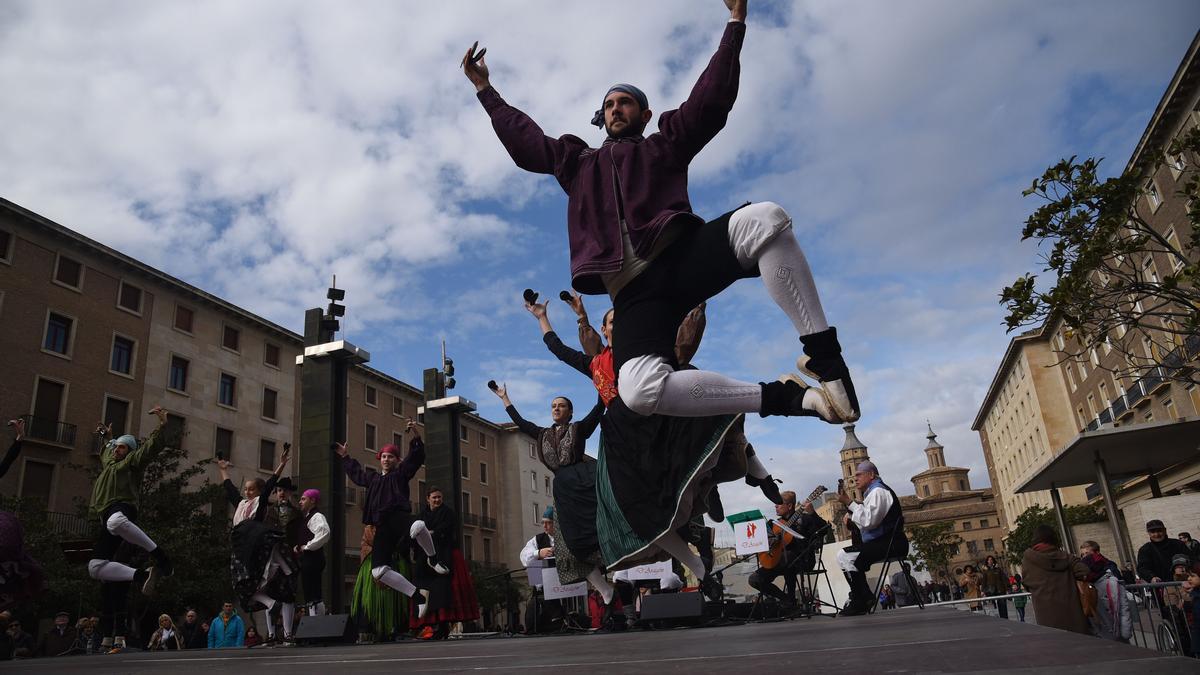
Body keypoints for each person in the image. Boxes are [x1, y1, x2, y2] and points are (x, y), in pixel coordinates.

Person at [464, 0, 858, 427]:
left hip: (679, 260)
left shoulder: (662, 146)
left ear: (644, 114)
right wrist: (486, 91)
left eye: (626, 103)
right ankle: (791, 399)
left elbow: (710, 102)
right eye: (610, 104)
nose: (617, 108)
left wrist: (735, 24)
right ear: (602, 117)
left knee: (767, 219)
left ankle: (826, 360)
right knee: (638, 389)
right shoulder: (577, 162)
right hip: (634, 292)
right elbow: (527, 144)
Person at [532, 294, 783, 506]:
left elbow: (681, 348)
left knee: (699, 381)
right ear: (604, 329)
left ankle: (750, 469)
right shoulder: (597, 364)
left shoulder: (647, 351)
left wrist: (697, 300)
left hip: (665, 415)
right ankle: (703, 491)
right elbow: (560, 349)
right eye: (612, 322)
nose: (619, 326)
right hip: (633, 436)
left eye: (623, 322)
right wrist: (543, 317)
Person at [493, 385, 616, 607]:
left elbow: (599, 409)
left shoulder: (578, 428)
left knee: (598, 533)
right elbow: (521, 423)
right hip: (563, 490)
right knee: (567, 546)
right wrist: (505, 398)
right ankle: (604, 589)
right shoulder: (542, 434)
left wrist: (601, 383)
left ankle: (617, 570)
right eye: (553, 406)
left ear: (570, 412)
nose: (556, 408)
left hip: (581, 484)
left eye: (561, 406)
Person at [88, 407, 174, 652]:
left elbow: (150, 448)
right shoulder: (109, 461)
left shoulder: (132, 462)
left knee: (116, 522)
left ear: (130, 451)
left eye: (122, 448)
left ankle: (159, 555)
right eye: (116, 448)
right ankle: (141, 575)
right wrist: (107, 435)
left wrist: (162, 425)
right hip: (105, 515)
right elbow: (106, 448)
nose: (117, 451)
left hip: (123, 507)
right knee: (95, 567)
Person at [338, 419, 435, 619]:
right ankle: (417, 595)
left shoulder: (400, 474)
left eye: (390, 456)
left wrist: (416, 436)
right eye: (383, 456)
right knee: (378, 572)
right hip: (382, 527)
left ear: (396, 460)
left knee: (417, 525)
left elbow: (415, 459)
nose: (386, 459)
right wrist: (345, 457)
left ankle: (433, 557)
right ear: (379, 459)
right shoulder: (373, 479)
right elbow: (357, 475)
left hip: (398, 518)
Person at [218, 446, 291, 639]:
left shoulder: (260, 503)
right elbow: (230, 489)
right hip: (240, 545)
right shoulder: (241, 504)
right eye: (246, 489)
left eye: (251, 489)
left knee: (246, 581)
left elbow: (269, 485)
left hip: (253, 542)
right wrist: (222, 468)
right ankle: (270, 603)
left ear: (258, 491)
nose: (247, 492)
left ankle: (281, 567)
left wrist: (282, 464)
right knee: (243, 586)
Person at [835, 461, 908, 616]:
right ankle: (863, 597)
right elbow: (868, 522)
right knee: (847, 556)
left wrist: (849, 502)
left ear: (872, 475)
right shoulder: (872, 493)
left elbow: (869, 521)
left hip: (891, 544)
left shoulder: (878, 492)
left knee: (844, 555)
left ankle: (861, 599)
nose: (856, 479)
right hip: (884, 542)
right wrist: (852, 517)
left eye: (859, 475)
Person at [412, 487, 480, 639]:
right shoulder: (421, 515)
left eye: (439, 497)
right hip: (426, 559)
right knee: (427, 591)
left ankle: (443, 626)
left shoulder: (448, 513)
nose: (437, 500)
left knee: (444, 591)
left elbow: (446, 530)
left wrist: (431, 533)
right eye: (434, 497)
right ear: (427, 499)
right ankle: (431, 626)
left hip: (446, 556)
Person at [748, 490, 826, 608]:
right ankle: (787, 599)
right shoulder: (774, 524)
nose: (775, 506)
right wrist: (770, 542)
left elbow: (824, 530)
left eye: (778, 503)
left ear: (789, 506)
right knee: (754, 579)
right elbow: (762, 541)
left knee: (788, 557)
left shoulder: (805, 519)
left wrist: (812, 513)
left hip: (803, 561)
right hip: (778, 562)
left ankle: (790, 600)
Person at [1021, 524, 1089, 634]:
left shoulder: (1028, 560)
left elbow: (1026, 583)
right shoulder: (1066, 557)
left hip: (1046, 615)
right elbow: (1084, 571)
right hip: (1072, 612)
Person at [260, 476, 302, 645]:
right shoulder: (268, 511)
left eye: (284, 490)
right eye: (278, 490)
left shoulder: (297, 513)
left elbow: (301, 533)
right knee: (270, 593)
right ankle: (270, 634)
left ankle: (288, 633)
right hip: (272, 556)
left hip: (290, 557)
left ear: (290, 492)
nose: (281, 493)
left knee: (288, 595)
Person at [520, 507, 565, 634]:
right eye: (543, 522)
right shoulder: (538, 540)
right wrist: (538, 553)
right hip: (543, 590)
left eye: (549, 522)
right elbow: (524, 555)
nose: (545, 526)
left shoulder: (565, 537)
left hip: (564, 588)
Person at [295, 488, 330, 617]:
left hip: (312, 559)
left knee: (313, 593)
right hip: (310, 558)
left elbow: (324, 533)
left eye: (303, 499)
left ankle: (316, 625)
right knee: (312, 593)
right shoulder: (309, 517)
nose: (300, 502)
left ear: (313, 500)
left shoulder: (316, 516)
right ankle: (317, 624)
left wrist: (307, 547)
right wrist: (299, 547)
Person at [1136, 519, 1192, 584]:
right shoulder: (1145, 549)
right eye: (1153, 532)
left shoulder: (1178, 544)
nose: (1156, 534)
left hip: (1184, 584)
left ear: (1165, 530)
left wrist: (1183, 568)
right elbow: (1142, 568)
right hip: (1160, 588)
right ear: (1148, 533)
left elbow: (1192, 560)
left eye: (1159, 531)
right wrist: (1151, 577)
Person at [981, 555, 1009, 619]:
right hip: (991, 591)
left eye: (991, 559)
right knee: (992, 606)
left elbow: (1004, 578)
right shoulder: (985, 571)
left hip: (1000, 590)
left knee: (1003, 606)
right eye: (989, 560)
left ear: (993, 561)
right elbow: (984, 581)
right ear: (987, 561)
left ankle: (1005, 619)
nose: (990, 561)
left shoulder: (998, 569)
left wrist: (1007, 588)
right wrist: (982, 590)